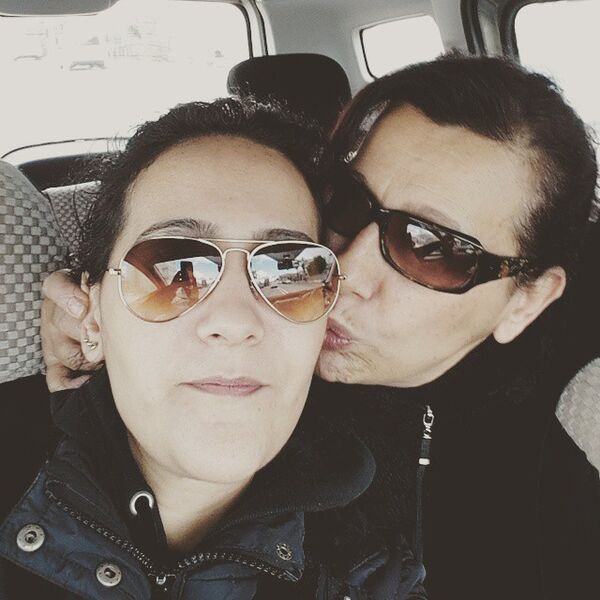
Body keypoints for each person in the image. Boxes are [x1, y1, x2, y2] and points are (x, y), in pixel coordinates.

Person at [39, 54, 600, 599]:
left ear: (526, 302)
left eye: (429, 248)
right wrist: (108, 304)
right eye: (348, 203)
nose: (344, 273)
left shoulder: (573, 432)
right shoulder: (243, 365)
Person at [0, 98, 427, 599]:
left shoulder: (372, 567)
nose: (235, 322)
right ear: (91, 318)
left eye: (290, 271)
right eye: (172, 268)